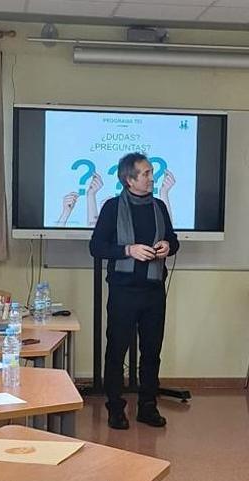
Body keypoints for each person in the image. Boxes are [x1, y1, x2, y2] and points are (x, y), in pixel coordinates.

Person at [89, 152, 180, 430]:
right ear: (129, 180)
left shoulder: (160, 207)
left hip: (153, 291)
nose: (152, 178)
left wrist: (168, 246)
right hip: (123, 291)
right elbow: (96, 247)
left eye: (151, 173)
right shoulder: (112, 207)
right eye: (146, 174)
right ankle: (116, 408)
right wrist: (128, 250)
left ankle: (147, 407)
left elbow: (174, 241)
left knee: (151, 351)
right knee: (117, 350)